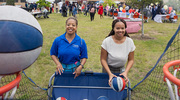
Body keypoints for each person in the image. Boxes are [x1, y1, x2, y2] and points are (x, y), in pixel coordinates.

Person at [100, 19, 135, 86]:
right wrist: (110, 74)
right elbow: (103, 59)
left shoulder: (129, 42)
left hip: (121, 70)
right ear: (113, 29)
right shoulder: (107, 41)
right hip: (108, 70)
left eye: (122, 28)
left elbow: (131, 60)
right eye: (117, 28)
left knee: (119, 88)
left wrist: (125, 72)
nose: (120, 30)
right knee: (107, 86)